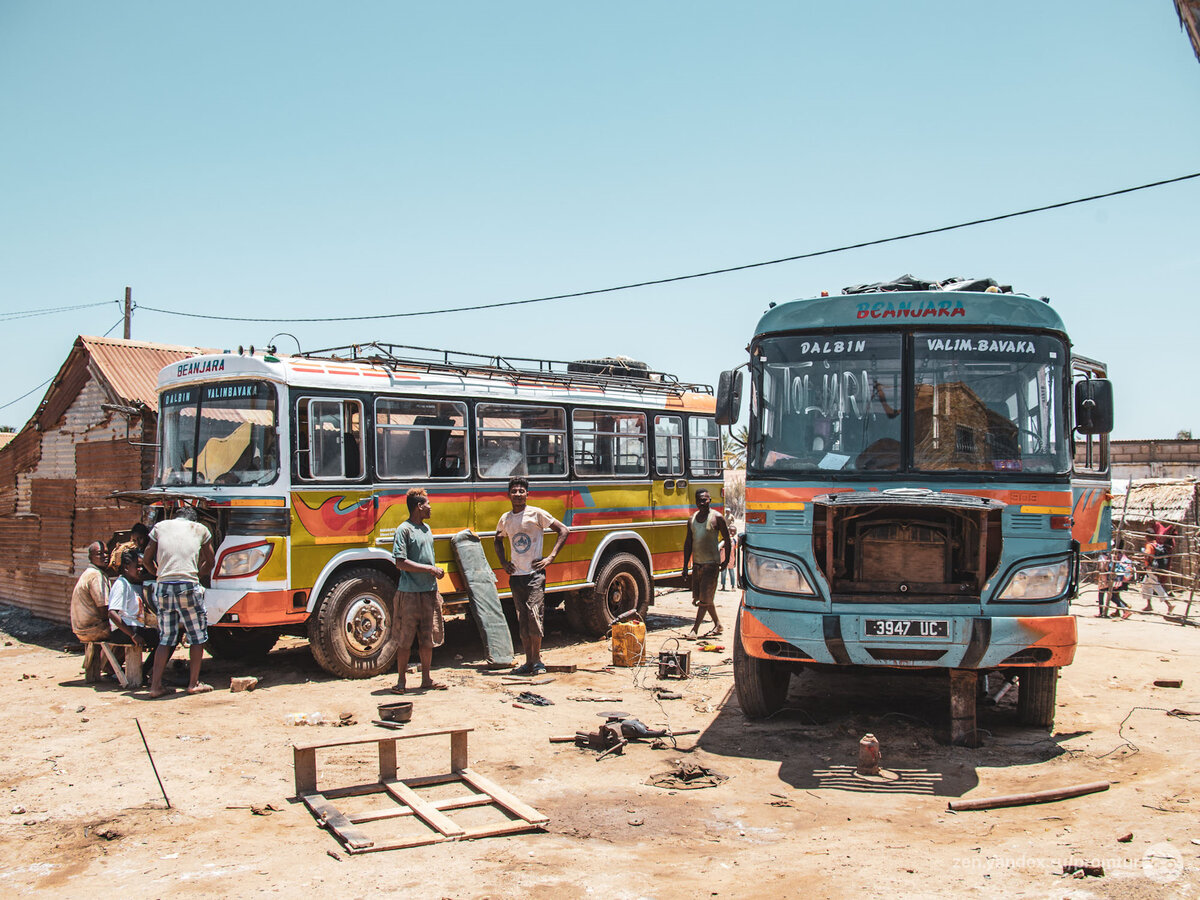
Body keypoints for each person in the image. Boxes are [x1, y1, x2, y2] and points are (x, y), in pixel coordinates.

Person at [494, 476, 569, 676]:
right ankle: (528, 662)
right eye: (514, 491)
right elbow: (497, 540)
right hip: (516, 575)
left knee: (535, 616)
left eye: (521, 491)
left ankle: (537, 661)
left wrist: (551, 557)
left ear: (528, 494)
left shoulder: (536, 514)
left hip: (535, 575)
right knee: (523, 619)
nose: (518, 494)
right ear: (508, 495)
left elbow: (563, 530)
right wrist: (503, 563)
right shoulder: (506, 518)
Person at [143, 506, 215, 697]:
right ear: (193, 519)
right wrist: (198, 574)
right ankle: (193, 684)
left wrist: (157, 573)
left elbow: (146, 558)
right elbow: (211, 560)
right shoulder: (200, 529)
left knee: (166, 638)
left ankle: (155, 687)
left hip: (164, 587)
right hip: (188, 586)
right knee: (197, 637)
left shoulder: (160, 527)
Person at [390, 488, 448, 693]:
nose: (430, 508)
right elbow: (400, 562)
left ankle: (426, 679)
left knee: (427, 638)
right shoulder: (404, 530)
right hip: (409, 593)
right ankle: (401, 682)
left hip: (429, 591)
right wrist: (430, 569)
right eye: (428, 504)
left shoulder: (426, 529)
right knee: (404, 639)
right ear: (418, 506)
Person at [682, 488, 731, 638]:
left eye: (705, 500)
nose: (702, 503)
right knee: (704, 598)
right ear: (696, 502)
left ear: (710, 500)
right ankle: (718, 624)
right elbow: (688, 543)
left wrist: (726, 560)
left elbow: (727, 540)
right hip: (697, 565)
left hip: (711, 565)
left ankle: (694, 630)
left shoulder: (717, 518)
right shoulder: (692, 520)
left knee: (704, 599)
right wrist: (685, 566)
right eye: (700, 500)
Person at [105, 549, 160, 655]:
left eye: (142, 567)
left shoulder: (135, 584)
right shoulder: (121, 584)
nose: (140, 569)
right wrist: (133, 635)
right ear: (126, 568)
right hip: (122, 631)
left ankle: (148, 669)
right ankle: (148, 670)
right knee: (164, 639)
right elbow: (112, 614)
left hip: (134, 627)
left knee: (165, 638)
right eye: (137, 567)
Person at [70, 541, 113, 644]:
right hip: (92, 629)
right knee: (129, 633)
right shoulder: (96, 576)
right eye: (99, 554)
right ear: (90, 557)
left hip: (82, 629)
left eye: (106, 553)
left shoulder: (90, 573)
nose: (105, 556)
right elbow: (104, 610)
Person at [1140, 527, 1175, 616]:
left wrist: (1140, 558)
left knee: (1156, 586)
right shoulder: (1156, 544)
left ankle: (1169, 604)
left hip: (1150, 568)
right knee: (1146, 585)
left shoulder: (1149, 545)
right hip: (1153, 568)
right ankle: (1149, 605)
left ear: (1147, 536)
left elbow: (1147, 555)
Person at [1110, 549, 1134, 619]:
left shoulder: (1117, 557)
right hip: (1125, 579)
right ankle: (1118, 611)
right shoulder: (1124, 557)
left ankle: (1125, 609)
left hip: (1119, 578)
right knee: (1117, 595)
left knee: (1113, 596)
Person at [719, 523, 739, 591]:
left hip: (731, 559)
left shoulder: (734, 541)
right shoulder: (724, 540)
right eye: (731, 531)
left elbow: (735, 551)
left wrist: (735, 561)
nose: (732, 533)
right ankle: (723, 586)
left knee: (732, 573)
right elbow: (720, 548)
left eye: (734, 531)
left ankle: (733, 586)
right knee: (723, 573)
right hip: (723, 559)